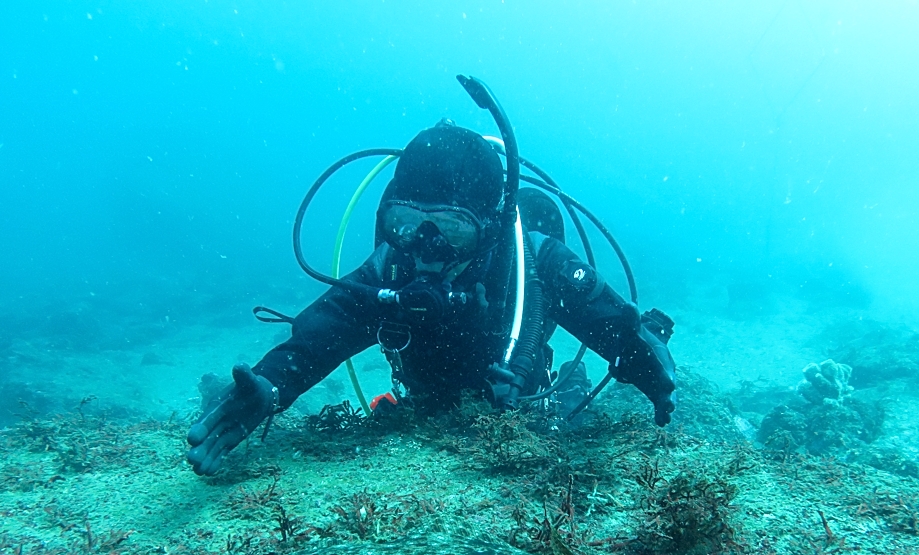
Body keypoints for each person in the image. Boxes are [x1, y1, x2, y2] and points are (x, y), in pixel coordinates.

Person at [187, 120, 676, 476]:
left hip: (521, 399)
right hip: (425, 403)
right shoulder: (390, 269)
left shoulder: (538, 262)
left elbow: (616, 327)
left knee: (570, 396)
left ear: (489, 227)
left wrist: (646, 361)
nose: (426, 247)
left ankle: (573, 379)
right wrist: (271, 386)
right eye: (406, 223)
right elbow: (321, 334)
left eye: (450, 228)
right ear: (387, 218)